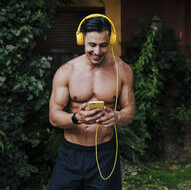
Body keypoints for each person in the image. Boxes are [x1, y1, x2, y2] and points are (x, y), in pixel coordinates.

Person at [48, 14, 136, 190]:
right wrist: (76, 118)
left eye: (103, 45)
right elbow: (53, 116)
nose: (97, 52)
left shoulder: (123, 70)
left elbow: (130, 111)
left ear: (110, 41)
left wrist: (117, 116)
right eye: (92, 45)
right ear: (82, 40)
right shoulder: (66, 72)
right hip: (70, 154)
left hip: (105, 154)